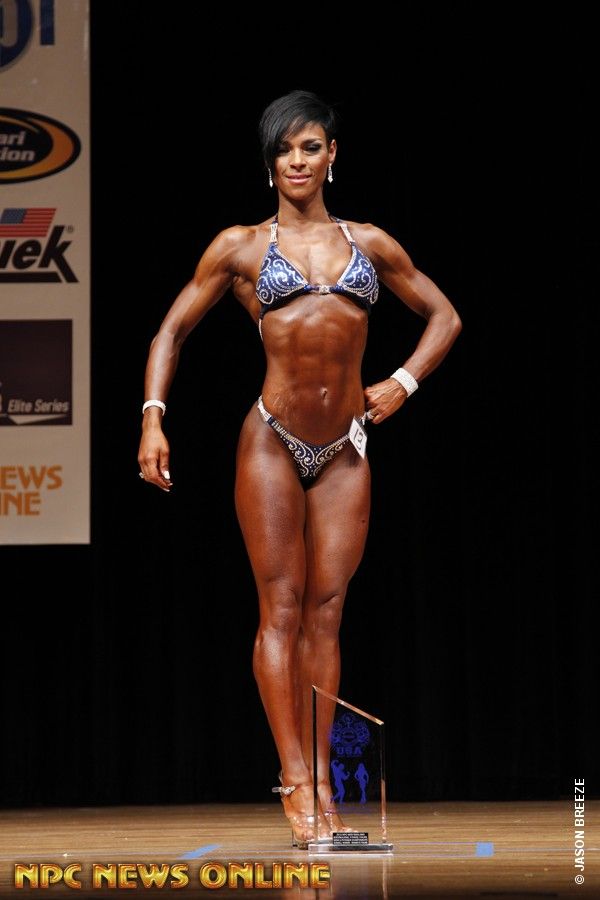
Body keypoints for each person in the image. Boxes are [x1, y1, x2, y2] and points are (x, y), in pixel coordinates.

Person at [137, 89, 462, 849]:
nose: (296, 160)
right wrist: (153, 417)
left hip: (345, 446)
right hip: (273, 440)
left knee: (327, 612)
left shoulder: (370, 243)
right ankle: (295, 783)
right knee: (280, 609)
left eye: (310, 147)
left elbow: (445, 316)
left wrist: (403, 382)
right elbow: (170, 331)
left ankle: (324, 783)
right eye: (283, 149)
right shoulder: (242, 247)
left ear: (331, 156)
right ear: (269, 162)